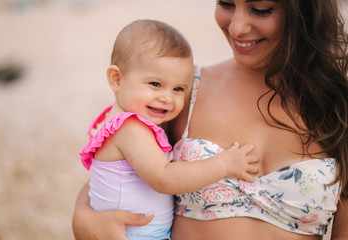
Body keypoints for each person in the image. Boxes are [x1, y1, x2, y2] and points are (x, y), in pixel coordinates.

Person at [72, 0, 348, 239]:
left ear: (304, 10)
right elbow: (115, 167)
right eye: (226, 4)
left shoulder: (337, 104)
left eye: (260, 9)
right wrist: (83, 219)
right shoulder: (180, 88)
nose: (237, 27)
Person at [78, 19, 259, 240]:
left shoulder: (125, 120)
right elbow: (163, 178)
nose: (167, 98)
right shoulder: (130, 127)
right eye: (155, 84)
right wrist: (224, 164)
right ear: (116, 79)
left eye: (178, 89)